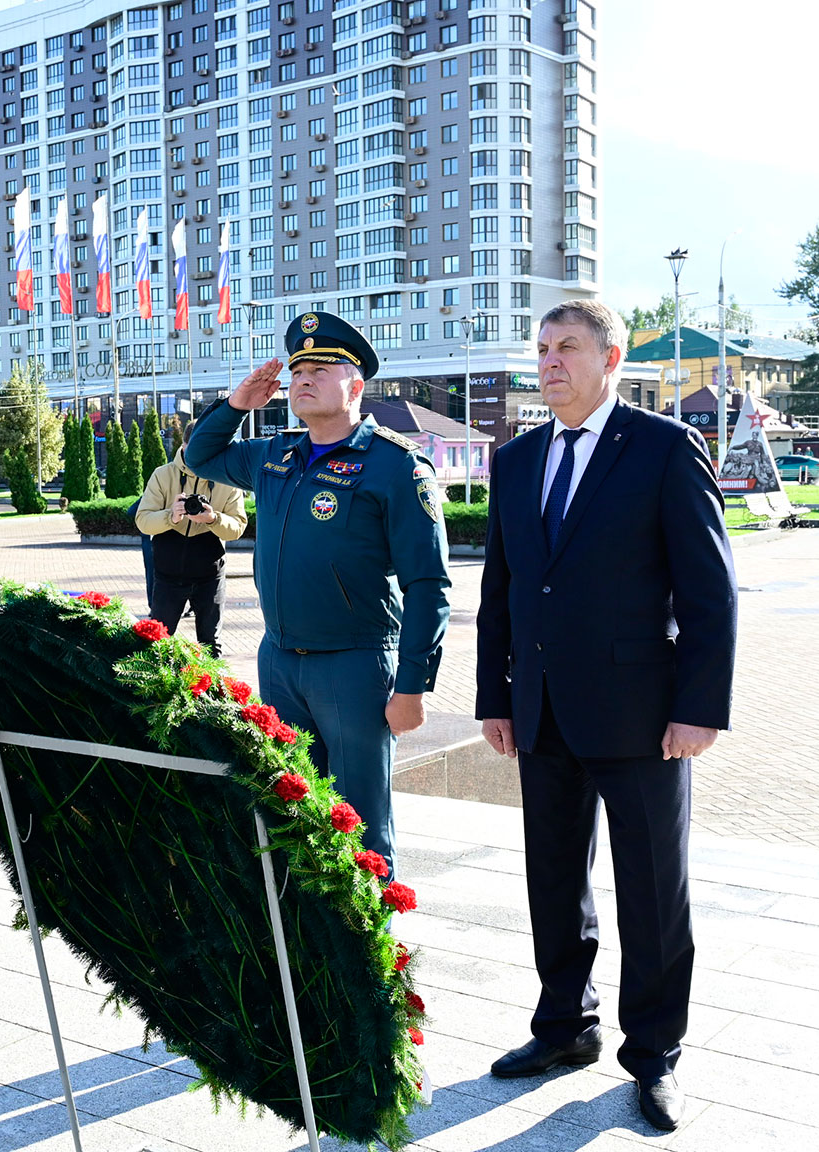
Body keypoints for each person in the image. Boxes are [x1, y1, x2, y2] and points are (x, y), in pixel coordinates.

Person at [474, 300, 737, 1132]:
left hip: (642, 717)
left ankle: (654, 1054)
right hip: (542, 708)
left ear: (611, 357)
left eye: (567, 348)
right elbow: (502, 589)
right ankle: (564, 1027)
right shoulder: (516, 459)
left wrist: (700, 708)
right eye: (542, 349)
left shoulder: (662, 446)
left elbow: (710, 591)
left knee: (653, 890)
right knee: (554, 879)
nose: (549, 362)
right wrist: (494, 696)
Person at [187, 311, 450, 874]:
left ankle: (370, 927)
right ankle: (303, 926)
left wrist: (412, 687)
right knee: (292, 812)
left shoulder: (394, 465)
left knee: (359, 824)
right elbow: (198, 456)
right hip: (280, 660)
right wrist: (236, 405)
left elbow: (429, 586)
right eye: (298, 370)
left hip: (354, 666)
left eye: (321, 370)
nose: (302, 378)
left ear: (355, 387)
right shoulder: (274, 456)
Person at [135, 429, 248, 656]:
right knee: (157, 643)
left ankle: (209, 681)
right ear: (183, 445)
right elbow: (143, 521)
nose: (199, 456)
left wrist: (213, 519)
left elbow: (237, 527)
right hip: (168, 574)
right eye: (194, 449)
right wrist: (171, 516)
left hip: (210, 574)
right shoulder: (163, 475)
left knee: (210, 645)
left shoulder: (227, 480)